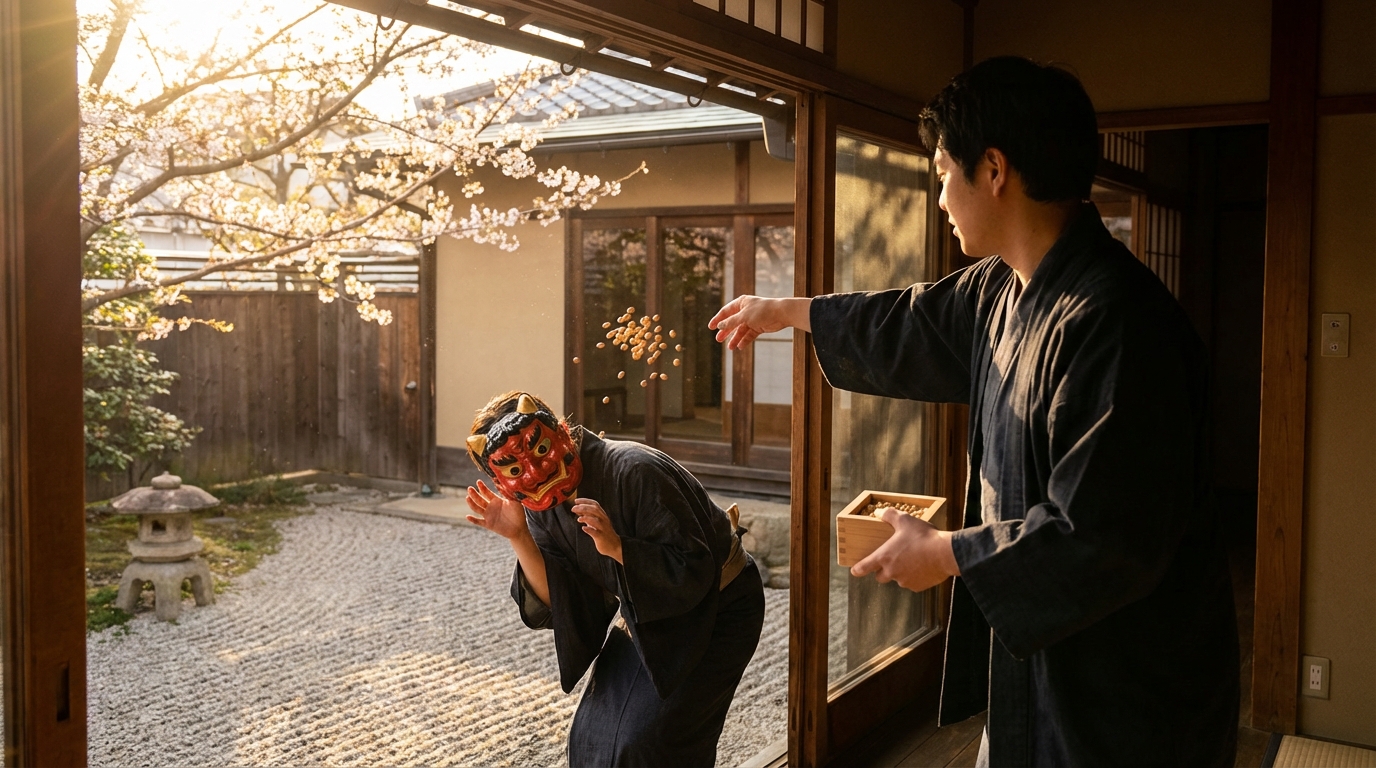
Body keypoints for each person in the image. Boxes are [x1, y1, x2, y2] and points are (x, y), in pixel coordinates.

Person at [710, 56, 1238, 767]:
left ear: (993, 169)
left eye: (940, 175)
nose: (940, 199)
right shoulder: (1001, 287)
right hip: (1042, 669)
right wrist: (787, 311)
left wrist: (949, 553)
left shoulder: (1118, 323)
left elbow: (1102, 535)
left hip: (1124, 688)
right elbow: (909, 321)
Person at [462, 390, 765, 767]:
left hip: (720, 604)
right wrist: (519, 537)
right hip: (647, 608)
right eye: (513, 469)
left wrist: (619, 547)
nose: (536, 472)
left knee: (652, 743)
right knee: (590, 736)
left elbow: (693, 566)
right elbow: (561, 600)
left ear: (560, 433)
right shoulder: (541, 504)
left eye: (540, 451)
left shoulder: (634, 468)